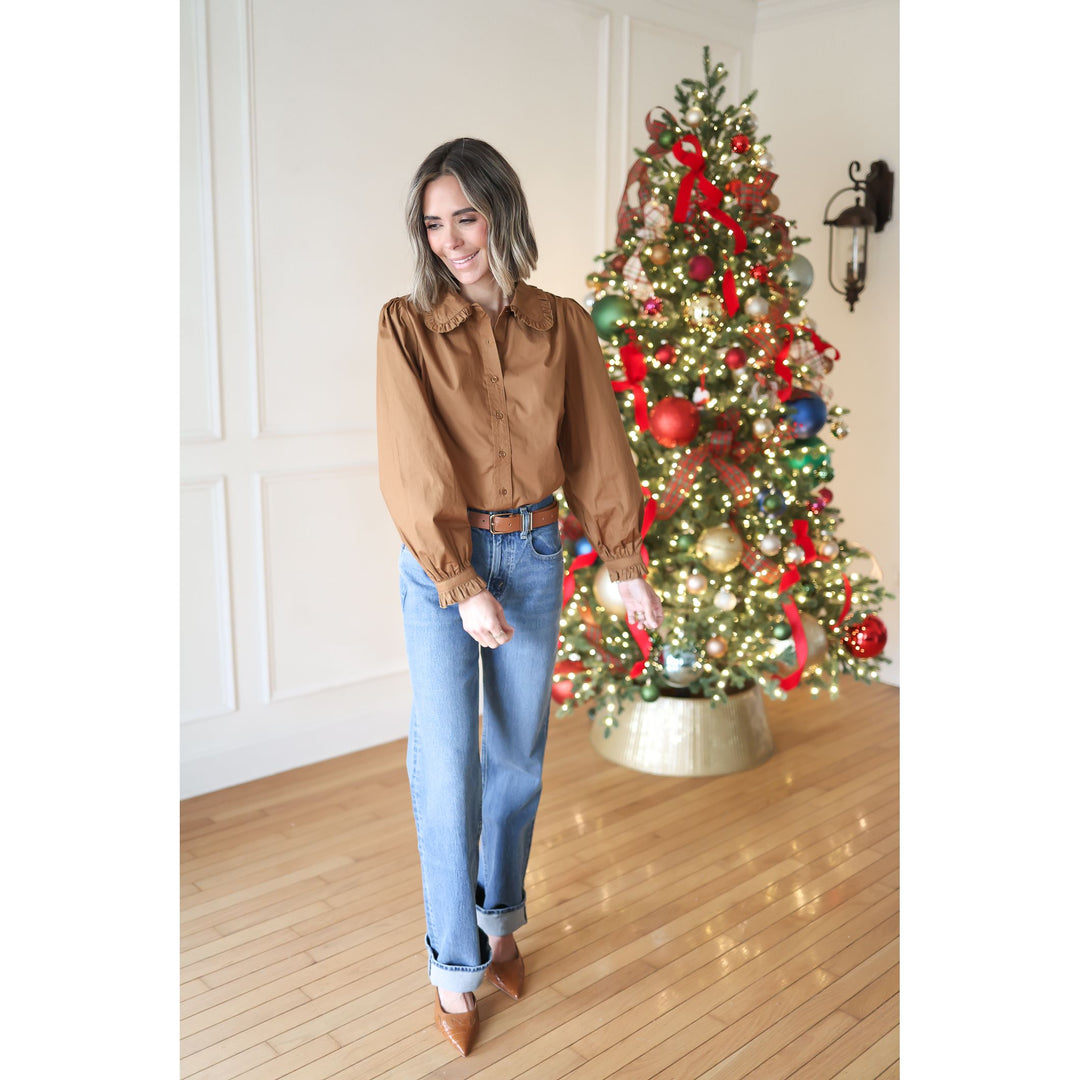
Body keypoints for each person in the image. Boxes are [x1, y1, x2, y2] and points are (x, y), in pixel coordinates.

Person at [376, 137, 663, 1057]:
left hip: (535, 552)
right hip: (442, 569)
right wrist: (460, 586)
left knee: (520, 759)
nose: (453, 239)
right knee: (448, 761)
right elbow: (412, 463)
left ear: (500, 209)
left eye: (466, 215)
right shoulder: (406, 326)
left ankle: (501, 920)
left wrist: (625, 559)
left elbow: (596, 446)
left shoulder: (562, 323)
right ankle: (453, 968)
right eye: (435, 222)